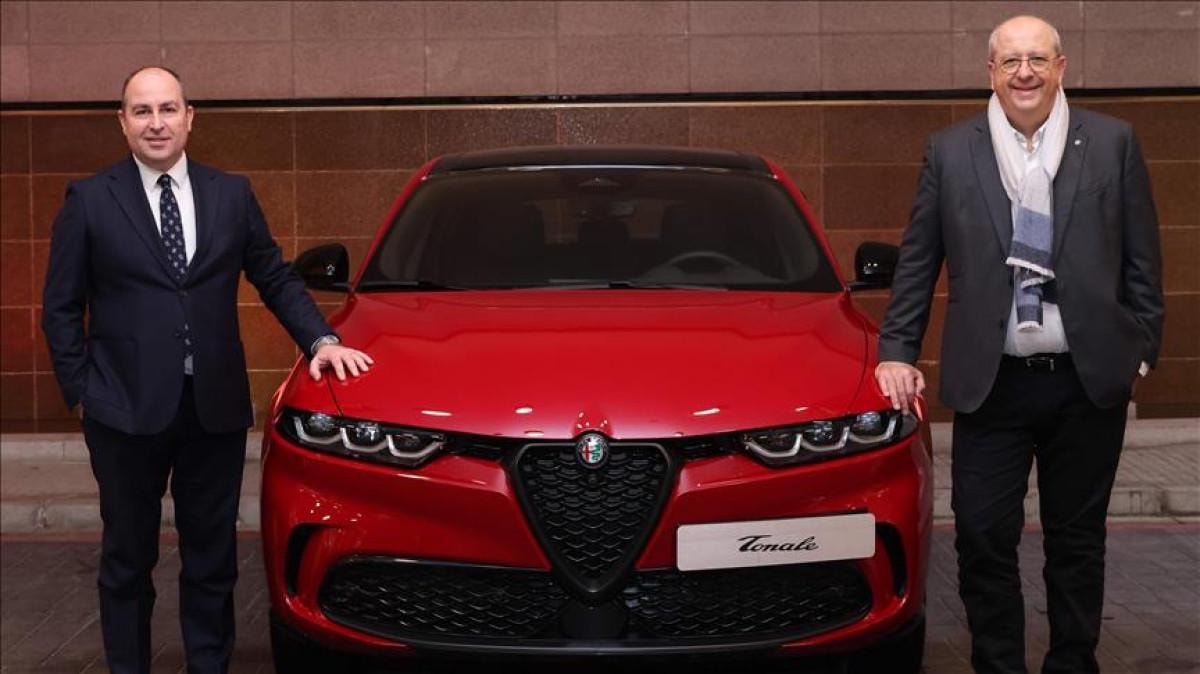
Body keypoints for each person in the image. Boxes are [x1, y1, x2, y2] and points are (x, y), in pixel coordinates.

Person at [41, 66, 373, 674]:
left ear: (190, 117)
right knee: (127, 561)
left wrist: (321, 339)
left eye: (168, 109)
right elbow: (60, 306)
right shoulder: (89, 200)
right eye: (142, 111)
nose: (157, 123)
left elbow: (273, 276)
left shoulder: (231, 194)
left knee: (212, 561)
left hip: (212, 408)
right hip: (122, 411)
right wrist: (82, 391)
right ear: (122, 123)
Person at [874, 15, 1163, 674]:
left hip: (1086, 381)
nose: (1024, 72)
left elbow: (1142, 256)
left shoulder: (1112, 142)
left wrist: (1142, 346)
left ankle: (1073, 662)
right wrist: (897, 349)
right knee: (980, 533)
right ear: (991, 72)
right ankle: (998, 664)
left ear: (1061, 67)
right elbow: (918, 260)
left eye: (1037, 59)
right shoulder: (950, 151)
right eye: (1010, 61)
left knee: (1076, 540)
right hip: (992, 380)